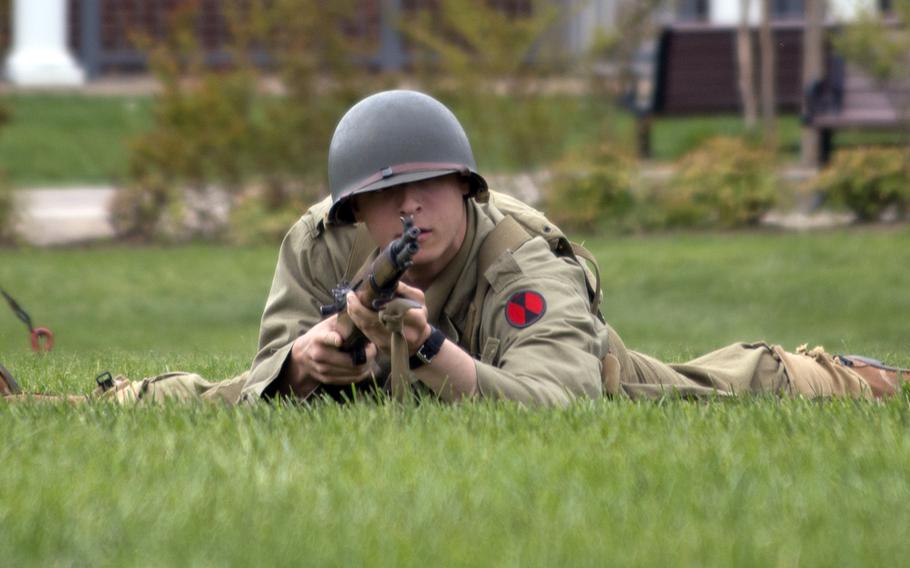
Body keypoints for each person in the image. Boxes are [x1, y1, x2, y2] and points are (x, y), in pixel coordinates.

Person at [2, 90, 906, 405]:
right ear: (355, 210)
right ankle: (57, 404)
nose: (409, 210)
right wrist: (309, 364)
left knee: (701, 392)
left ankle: (848, 376)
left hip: (573, 372)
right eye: (385, 197)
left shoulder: (525, 261)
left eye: (428, 188)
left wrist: (432, 350)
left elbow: (558, 408)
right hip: (398, 370)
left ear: (465, 189)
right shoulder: (320, 244)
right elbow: (261, 378)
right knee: (213, 400)